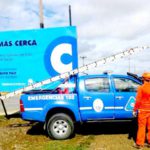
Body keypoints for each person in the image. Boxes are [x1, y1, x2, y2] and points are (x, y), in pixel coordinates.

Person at [133, 72, 150, 149]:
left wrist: (135, 110)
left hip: (142, 110)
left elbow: (138, 100)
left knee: (142, 127)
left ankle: (139, 144)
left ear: (143, 79)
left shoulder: (141, 88)